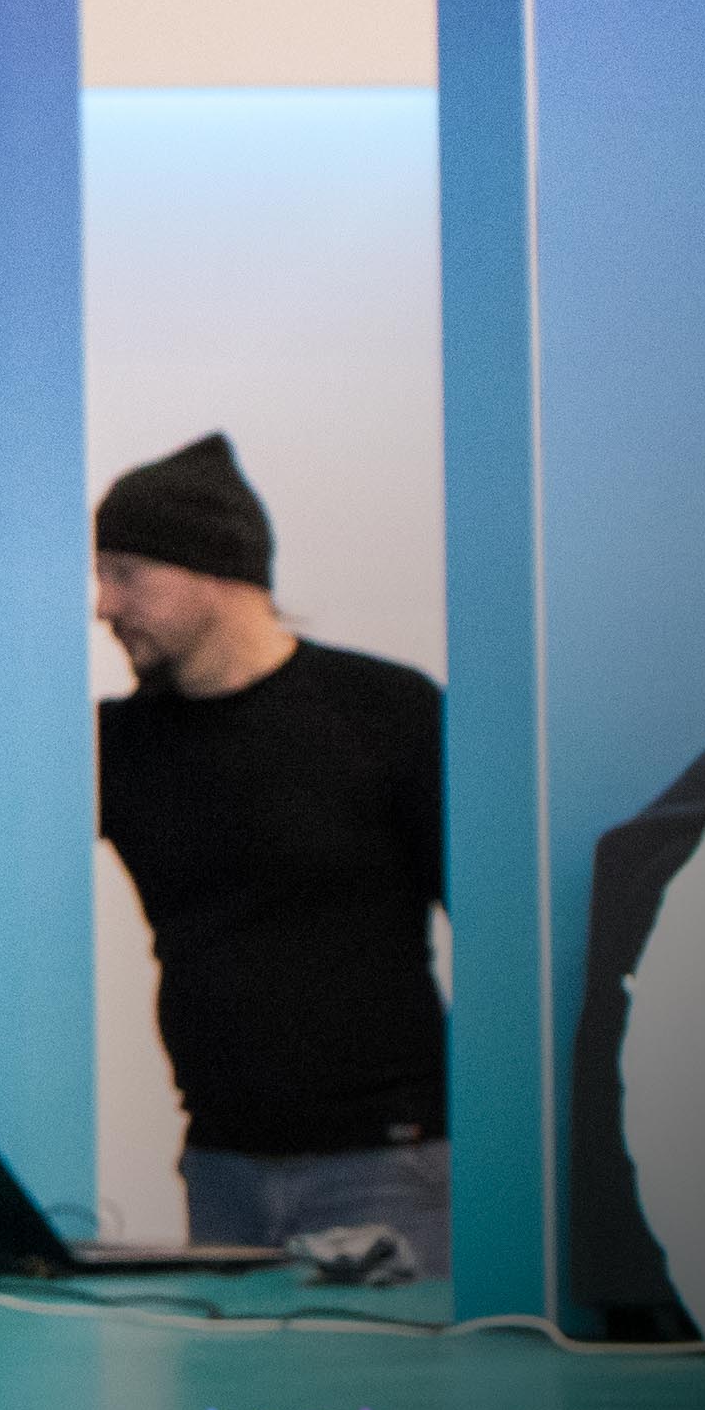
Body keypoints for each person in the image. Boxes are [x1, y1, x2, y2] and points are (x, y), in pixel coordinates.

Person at [91, 432, 449, 1269]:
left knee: (395, 1364)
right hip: (218, 1166)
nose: (104, 604)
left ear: (215, 570)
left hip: (385, 1164)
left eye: (125, 573)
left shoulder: (385, 711)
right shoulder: (120, 745)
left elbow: (501, 929)